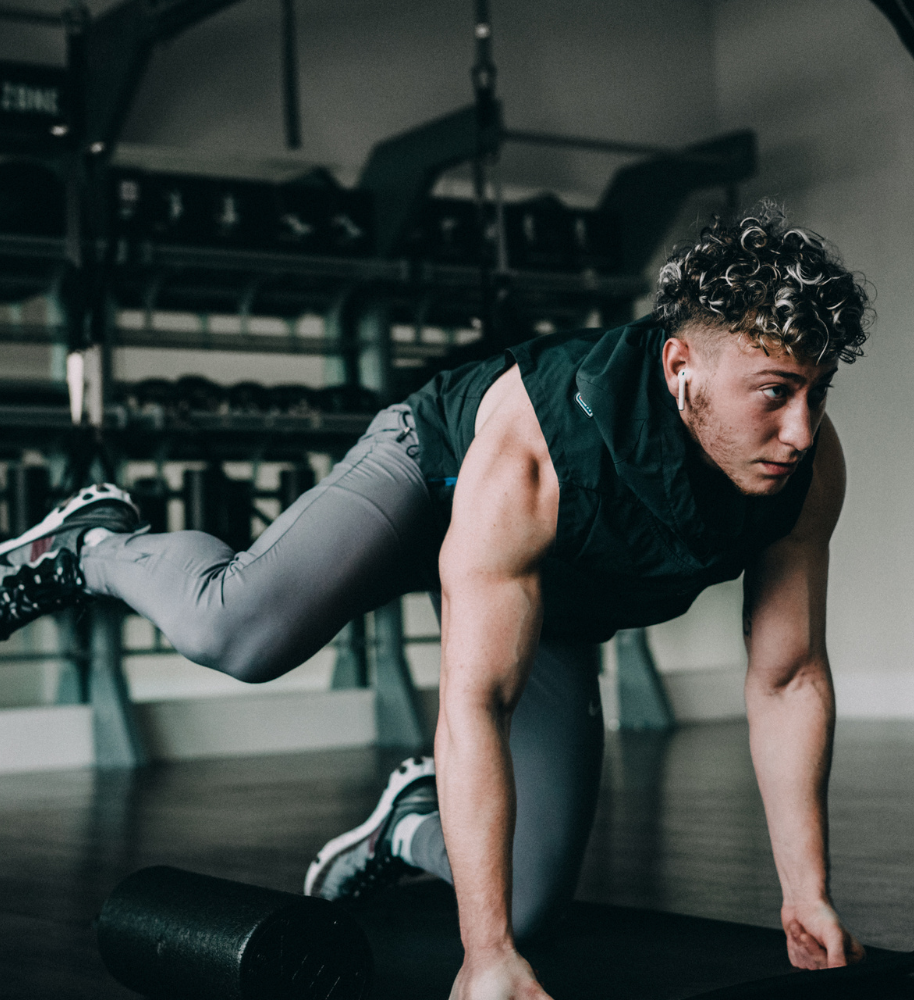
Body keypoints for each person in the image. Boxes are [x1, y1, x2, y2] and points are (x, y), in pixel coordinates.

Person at [0, 206, 870, 1000]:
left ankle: (407, 828)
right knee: (232, 630)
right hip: (431, 480)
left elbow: (788, 678)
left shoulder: (804, 472)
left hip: (551, 594)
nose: (801, 429)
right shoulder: (540, 445)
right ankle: (95, 544)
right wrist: (481, 955)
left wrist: (807, 896)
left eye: (816, 391)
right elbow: (474, 698)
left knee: (526, 905)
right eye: (774, 393)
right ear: (682, 368)